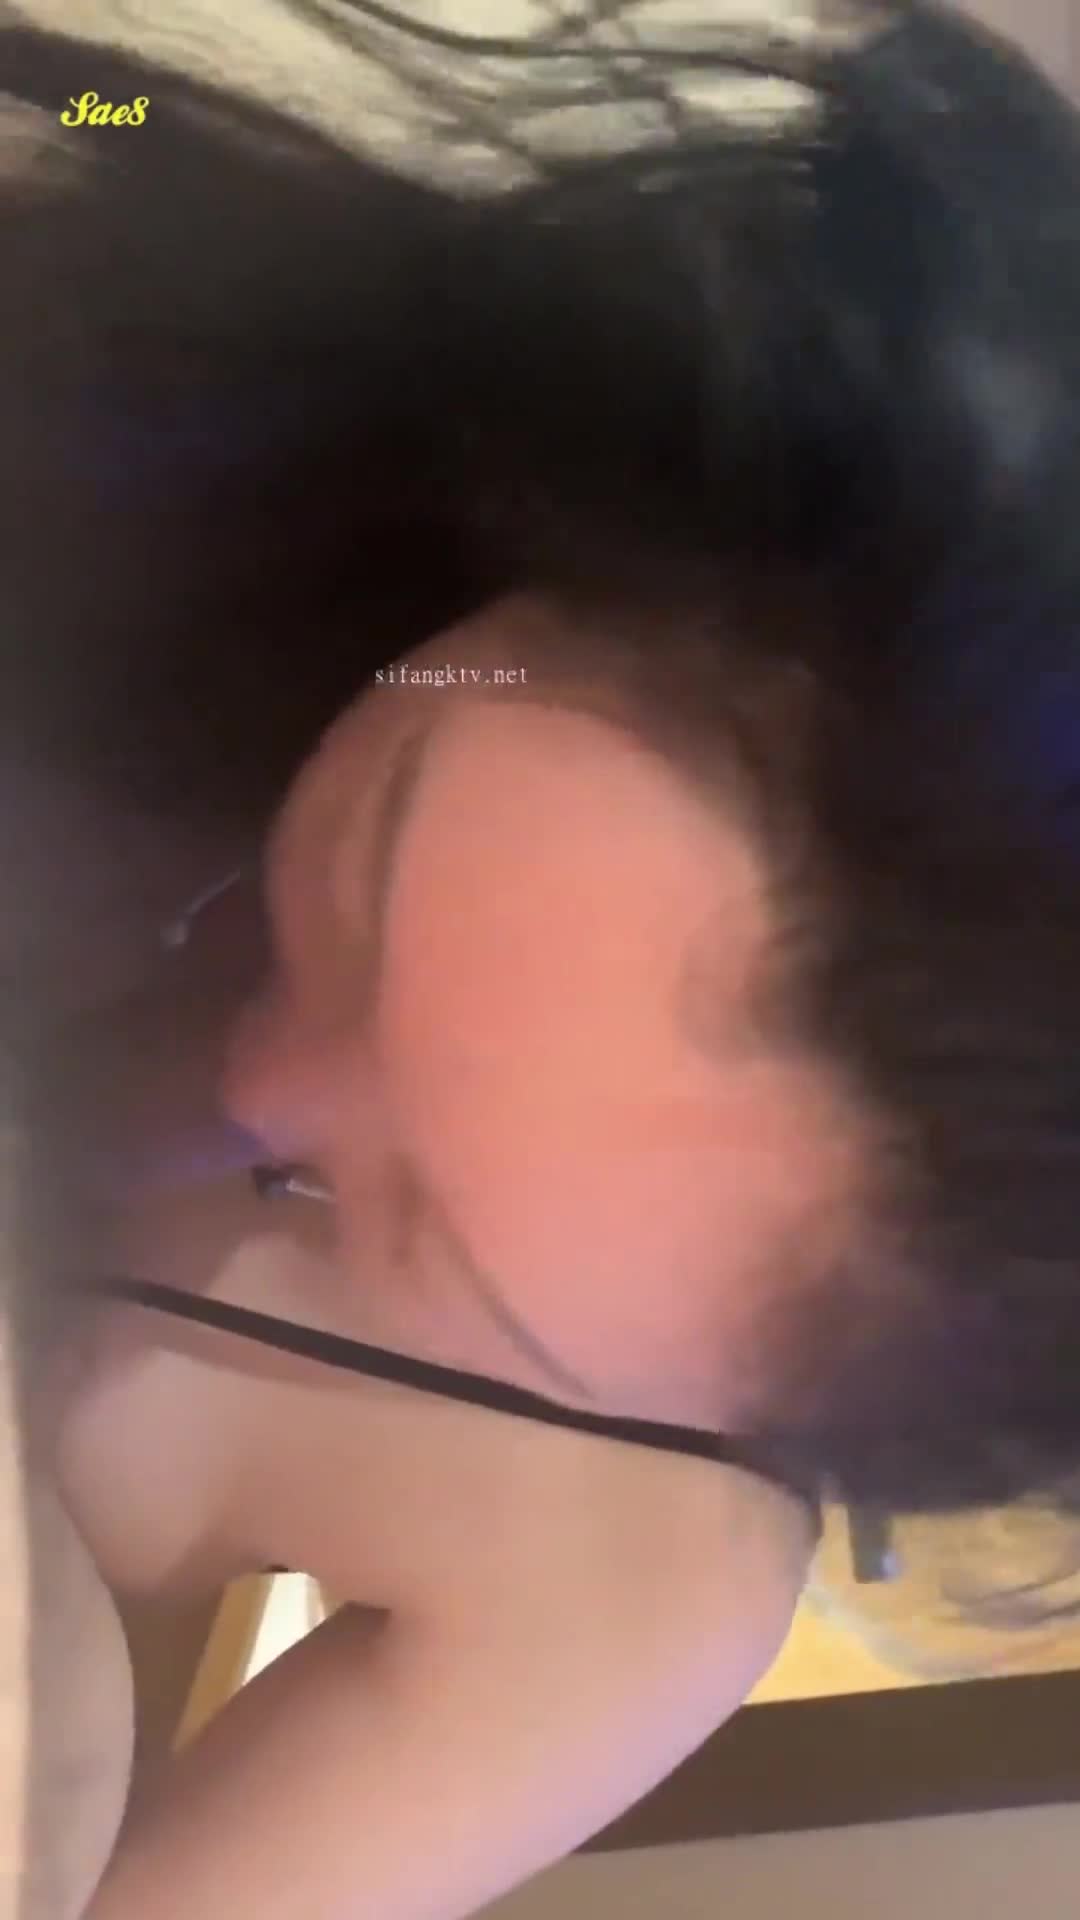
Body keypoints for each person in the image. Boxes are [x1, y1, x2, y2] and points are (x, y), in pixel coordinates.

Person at [6, 2, 1080, 1914]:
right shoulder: (241, 344)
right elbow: (88, 93)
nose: (253, 1088)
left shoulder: (633, 1573)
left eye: (409, 1222)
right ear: (596, 534)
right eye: (360, 879)